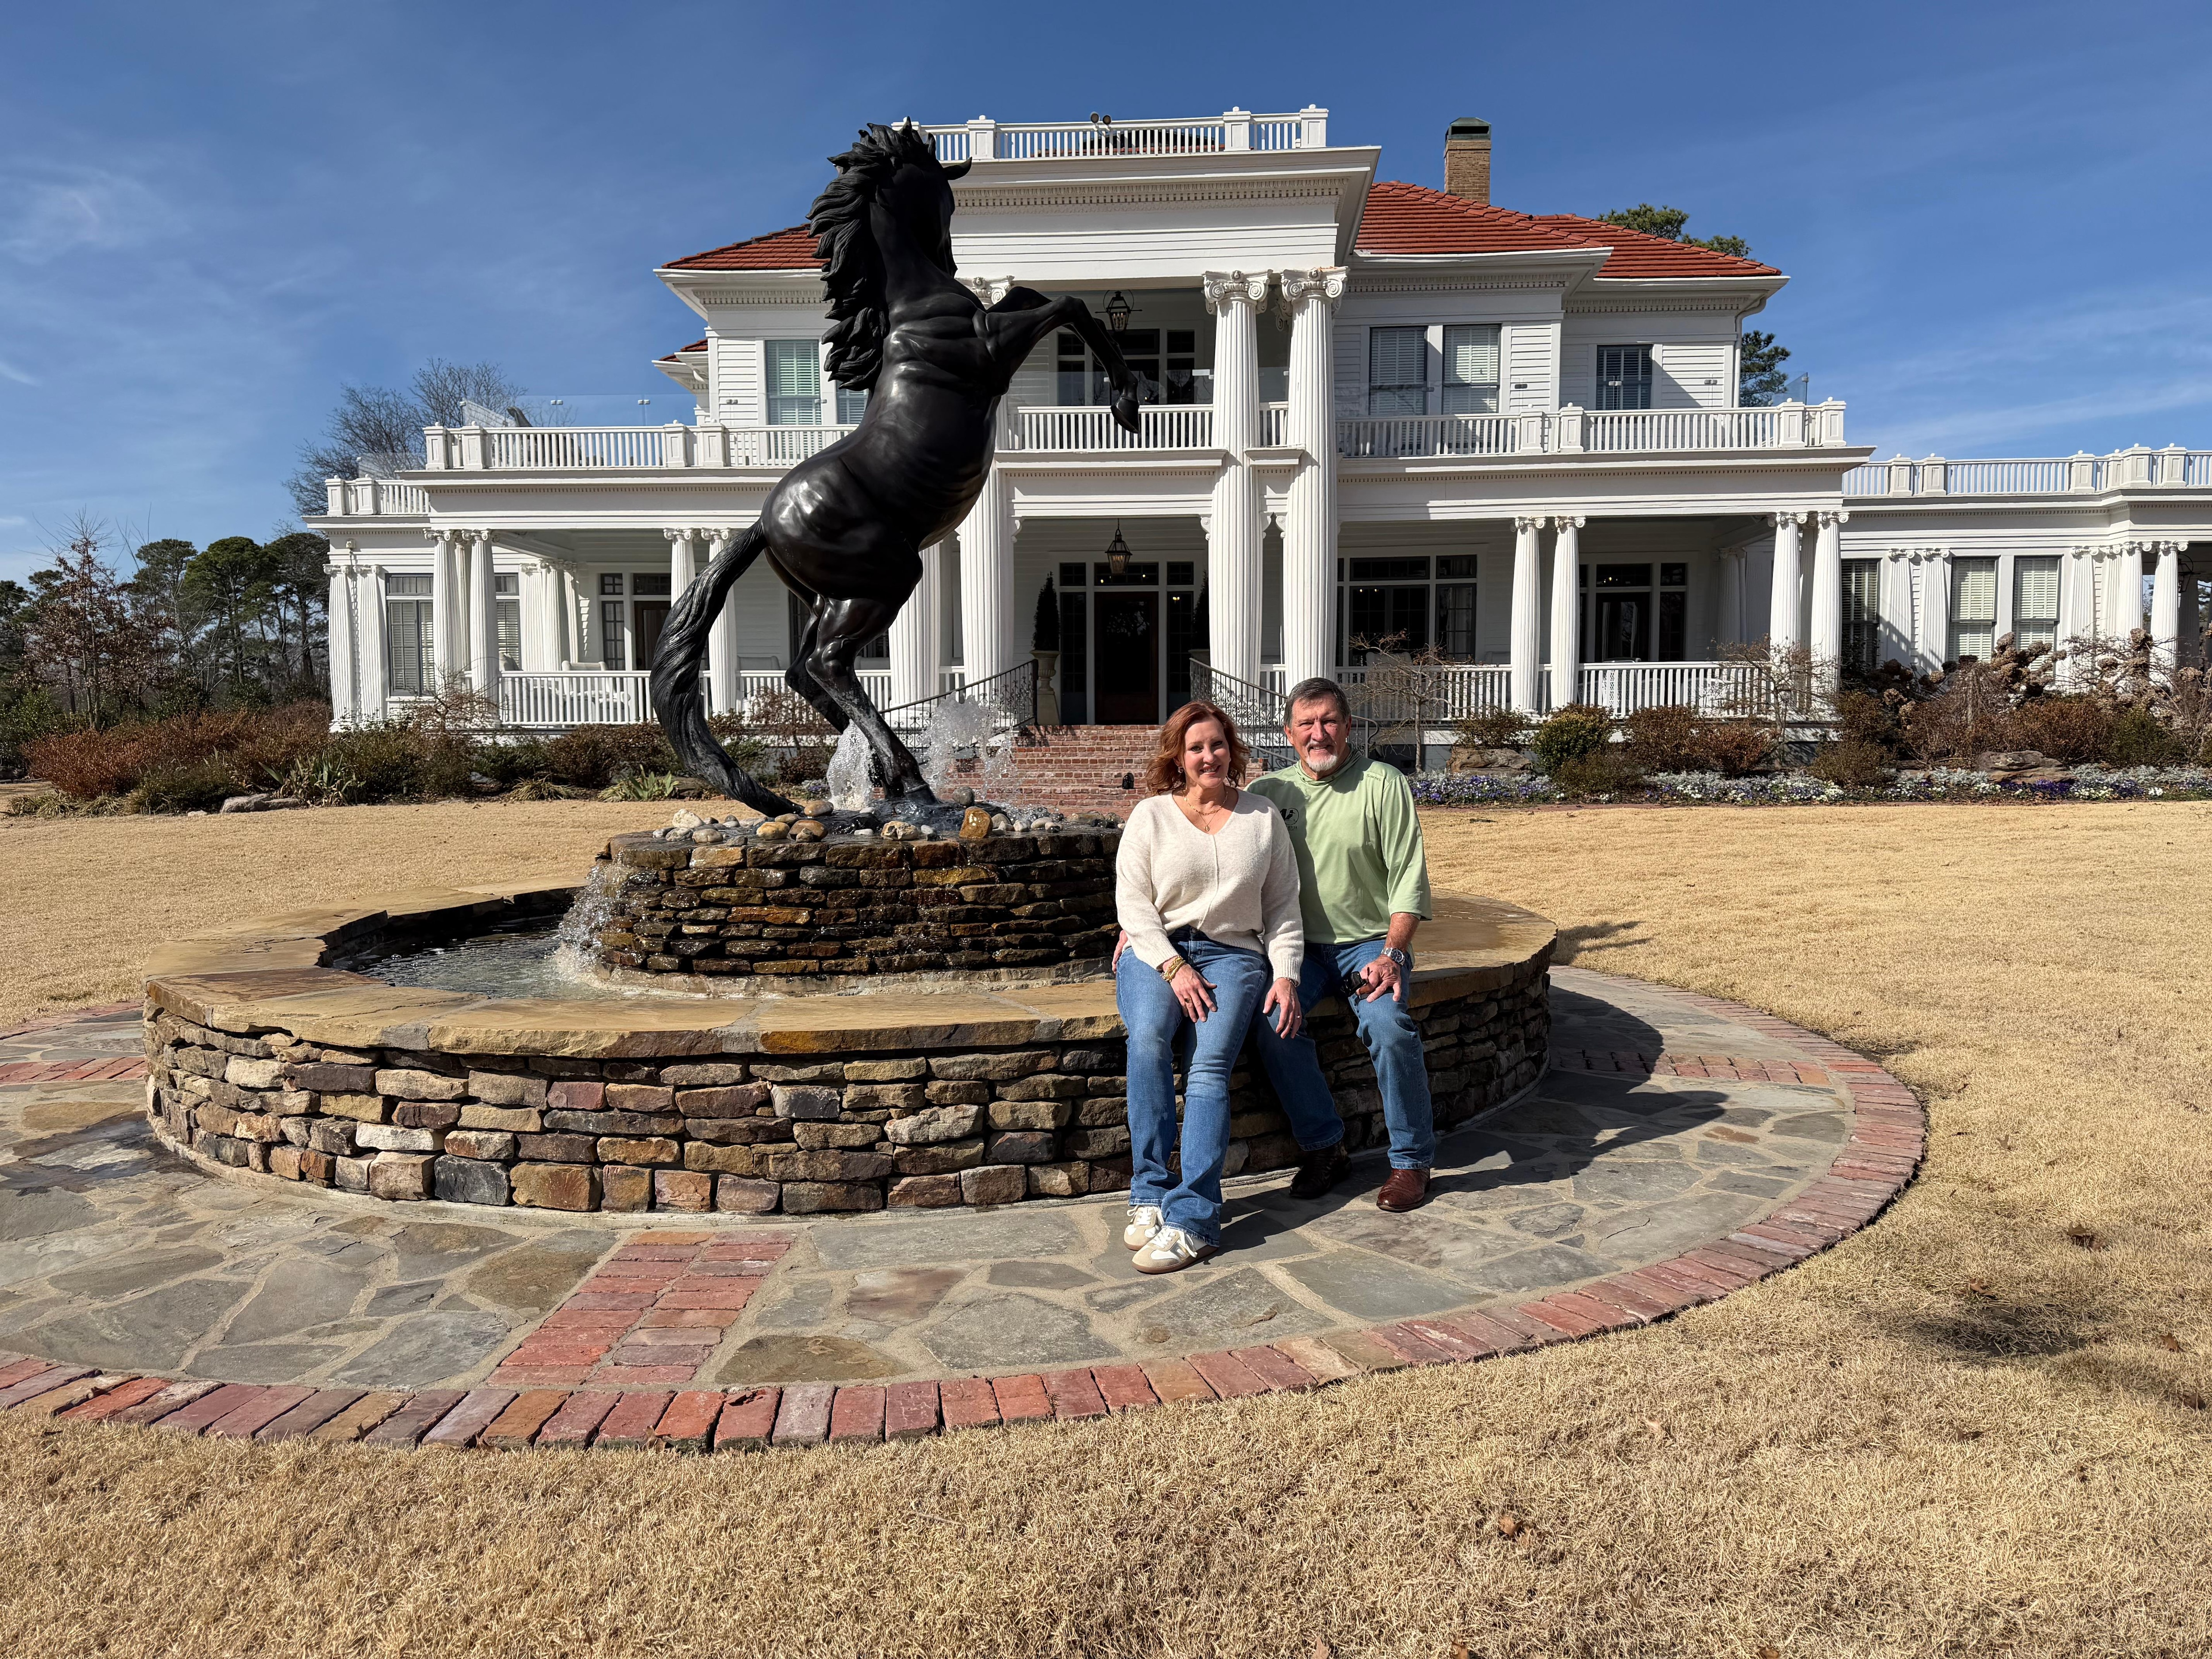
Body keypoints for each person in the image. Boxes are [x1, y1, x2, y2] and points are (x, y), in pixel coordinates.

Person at [1113, 701, 1306, 1274]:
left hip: (1234, 955)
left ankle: (1196, 1218)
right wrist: (1174, 967)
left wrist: (1289, 975)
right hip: (1156, 952)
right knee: (1147, 1038)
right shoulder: (1150, 816)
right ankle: (1149, 1192)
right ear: (1178, 755)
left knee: (1210, 1063)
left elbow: (1283, 909)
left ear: (1232, 749)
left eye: (1217, 744)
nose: (1208, 756)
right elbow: (1132, 904)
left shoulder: (1262, 817)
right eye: (1196, 747)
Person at [1248, 676, 1437, 1212]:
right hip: (1295, 950)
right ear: (1288, 734)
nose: (1318, 733)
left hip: (1368, 944)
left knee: (1387, 1026)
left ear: (1348, 726)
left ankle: (1411, 1161)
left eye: (1328, 721)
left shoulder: (1383, 784)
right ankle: (1325, 1148)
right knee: (1271, 1023)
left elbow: (1408, 879)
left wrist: (1393, 954)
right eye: (1306, 724)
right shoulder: (1267, 796)